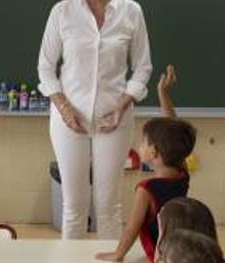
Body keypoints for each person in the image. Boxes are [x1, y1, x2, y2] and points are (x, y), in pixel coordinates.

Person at [38, 0, 153, 240]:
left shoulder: (131, 11)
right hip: (68, 118)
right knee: (73, 206)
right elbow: (45, 67)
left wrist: (122, 105)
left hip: (114, 118)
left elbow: (143, 67)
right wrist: (65, 108)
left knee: (109, 205)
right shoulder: (63, 11)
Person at [95, 117, 195, 263]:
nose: (140, 146)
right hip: (178, 248)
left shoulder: (146, 189)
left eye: (143, 142)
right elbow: (176, 132)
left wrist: (118, 254)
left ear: (153, 152)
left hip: (159, 254)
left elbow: (132, 227)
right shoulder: (183, 174)